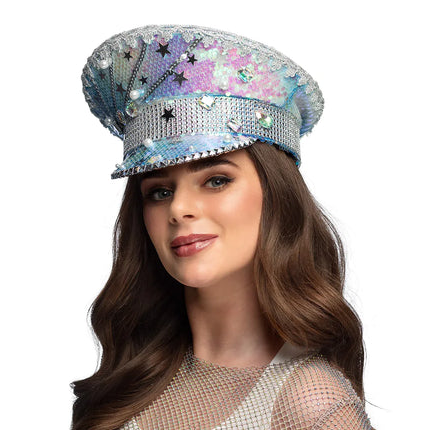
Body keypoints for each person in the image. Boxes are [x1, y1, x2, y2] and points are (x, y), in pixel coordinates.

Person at [71, 24, 373, 429]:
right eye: (159, 191)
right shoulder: (127, 384)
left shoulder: (310, 404)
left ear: (277, 195)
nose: (179, 208)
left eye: (216, 180)